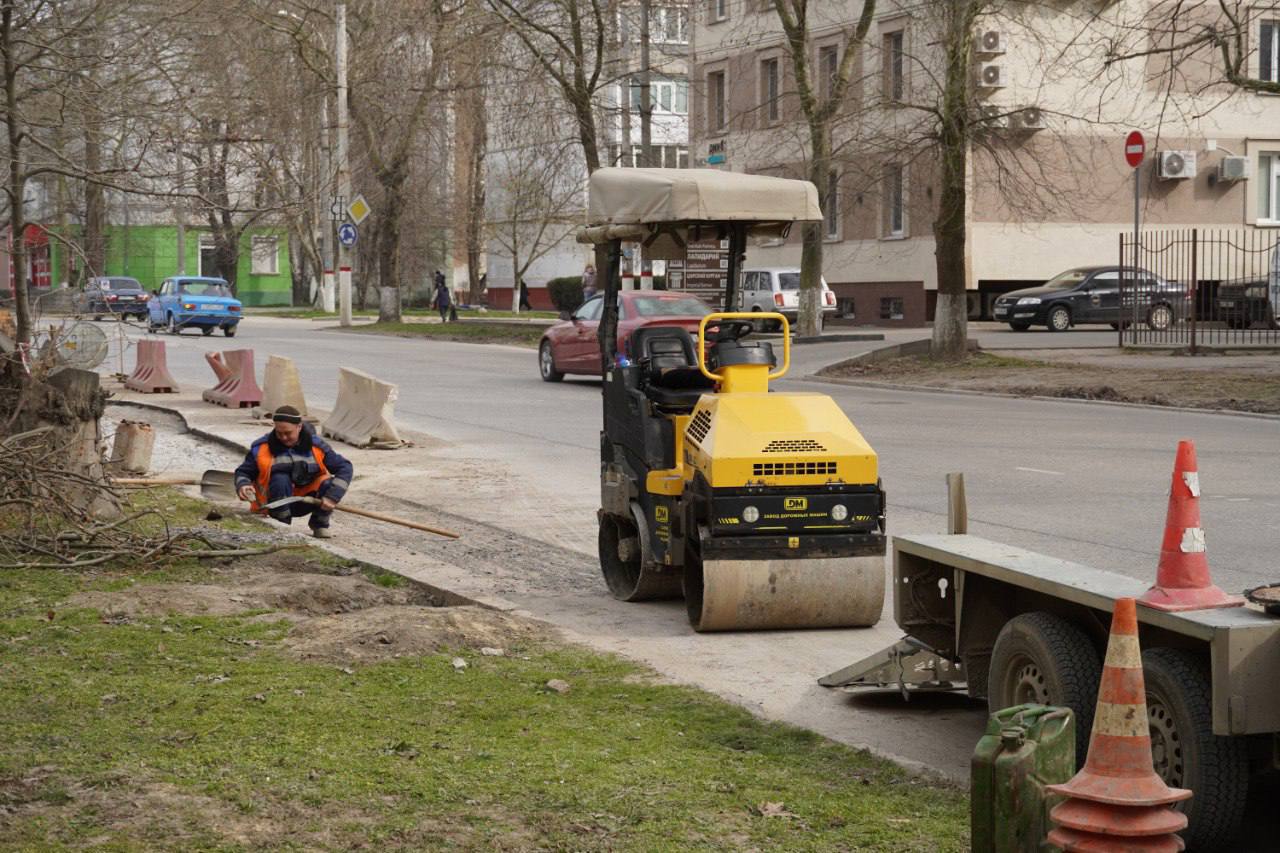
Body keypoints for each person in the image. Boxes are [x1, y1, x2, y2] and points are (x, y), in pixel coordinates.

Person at [234, 406, 353, 539]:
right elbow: (243, 472)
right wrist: (243, 484)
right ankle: (281, 525)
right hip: (274, 503)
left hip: (309, 501)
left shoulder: (317, 447)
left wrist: (332, 497)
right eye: (279, 433)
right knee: (280, 478)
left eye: (288, 433)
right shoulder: (261, 448)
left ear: (299, 427)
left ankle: (319, 524)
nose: (284, 438)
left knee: (327, 483)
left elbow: (345, 467)